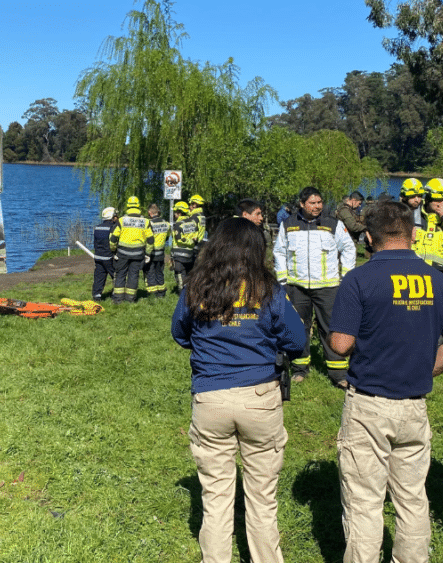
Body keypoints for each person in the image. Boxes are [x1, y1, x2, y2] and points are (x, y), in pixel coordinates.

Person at [328, 200, 443, 563]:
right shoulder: (437, 279)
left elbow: (341, 344)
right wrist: (425, 369)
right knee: (412, 497)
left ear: (369, 239)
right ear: (412, 235)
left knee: (364, 500)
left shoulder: (359, 278)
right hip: (414, 405)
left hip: (369, 405)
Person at [171, 217, 308, 563]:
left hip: (210, 397)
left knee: (215, 496)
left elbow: (180, 333)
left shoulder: (196, 287)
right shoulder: (269, 289)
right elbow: (297, 339)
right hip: (260, 398)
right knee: (262, 495)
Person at [272, 186, 356, 386]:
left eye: (319, 202)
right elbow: (279, 253)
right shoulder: (288, 224)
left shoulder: (333, 224)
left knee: (331, 329)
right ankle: (300, 369)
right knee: (299, 328)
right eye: (312, 203)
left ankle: (338, 374)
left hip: (328, 288)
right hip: (297, 287)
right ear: (301, 204)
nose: (317, 206)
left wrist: (345, 277)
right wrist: (283, 280)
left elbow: (349, 249)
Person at [109, 196, 154, 303]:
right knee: (133, 275)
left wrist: (113, 251)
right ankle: (130, 299)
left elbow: (113, 238)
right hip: (138, 254)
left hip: (122, 254)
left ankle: (118, 299)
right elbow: (151, 240)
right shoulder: (146, 221)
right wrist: (147, 254)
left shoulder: (121, 220)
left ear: (127, 206)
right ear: (138, 206)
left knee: (120, 274)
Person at [171, 201, 199, 291]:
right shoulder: (193, 223)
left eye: (175, 213)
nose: (174, 215)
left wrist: (187, 241)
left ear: (179, 213)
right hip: (190, 254)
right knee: (188, 274)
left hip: (179, 254)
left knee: (180, 275)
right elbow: (196, 237)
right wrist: (191, 242)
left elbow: (178, 239)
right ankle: (189, 292)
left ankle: (182, 295)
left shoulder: (178, 225)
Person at [144, 203, 171, 298]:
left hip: (151, 252)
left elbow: (146, 238)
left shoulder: (149, 223)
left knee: (150, 272)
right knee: (159, 272)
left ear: (150, 213)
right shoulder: (166, 223)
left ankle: (152, 294)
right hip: (161, 253)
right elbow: (167, 237)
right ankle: (161, 293)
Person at [91, 207, 118, 301]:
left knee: (99, 277)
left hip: (98, 256)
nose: (117, 218)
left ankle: (96, 295)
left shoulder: (97, 227)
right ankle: (117, 295)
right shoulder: (113, 228)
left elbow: (95, 243)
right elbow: (113, 243)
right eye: (116, 216)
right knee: (117, 275)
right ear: (112, 217)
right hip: (109, 257)